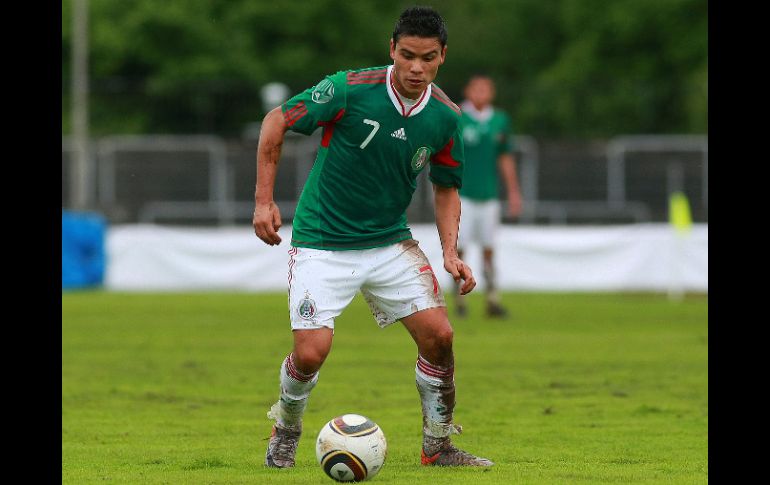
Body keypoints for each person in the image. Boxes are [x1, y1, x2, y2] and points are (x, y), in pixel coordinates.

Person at [252, 6, 493, 469]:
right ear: (392, 50)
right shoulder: (348, 87)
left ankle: (438, 446)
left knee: (440, 336)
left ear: (443, 56)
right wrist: (264, 201)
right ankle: (285, 429)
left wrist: (449, 252)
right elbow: (275, 121)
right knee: (311, 353)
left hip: (389, 242)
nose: (416, 68)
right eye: (407, 56)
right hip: (322, 239)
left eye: (427, 58)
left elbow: (446, 186)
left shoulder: (445, 116)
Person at [454, 75, 523, 318]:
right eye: (476, 89)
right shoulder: (458, 116)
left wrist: (513, 191)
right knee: (459, 248)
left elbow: (504, 157)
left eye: (485, 89)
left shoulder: (500, 121)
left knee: (489, 248)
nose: (481, 93)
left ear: (491, 93)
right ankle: (459, 298)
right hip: (461, 194)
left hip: (489, 194)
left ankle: (492, 298)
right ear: (468, 91)